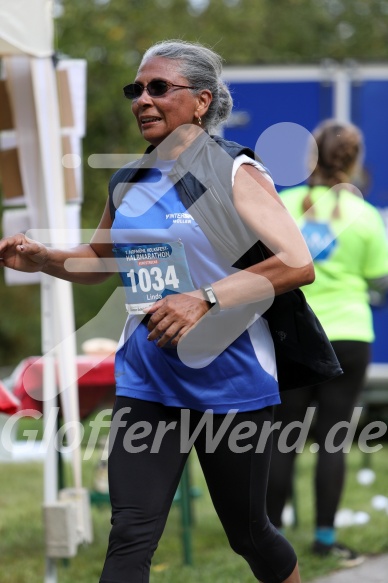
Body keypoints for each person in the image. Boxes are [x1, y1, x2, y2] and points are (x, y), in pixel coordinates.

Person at [0, 41, 339, 583]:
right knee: (130, 533)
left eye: (159, 88)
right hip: (148, 378)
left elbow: (297, 263)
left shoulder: (234, 171)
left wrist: (204, 298)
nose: (143, 100)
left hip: (233, 380)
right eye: (137, 89)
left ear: (201, 101)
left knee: (249, 533)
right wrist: (45, 259)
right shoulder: (127, 181)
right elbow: (100, 261)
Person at [266, 119, 388, 566]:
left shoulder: (283, 204)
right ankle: (324, 538)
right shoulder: (367, 215)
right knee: (333, 442)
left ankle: (271, 542)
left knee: (282, 439)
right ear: (354, 162)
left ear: (310, 158)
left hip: (295, 333)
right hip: (350, 334)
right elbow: (380, 279)